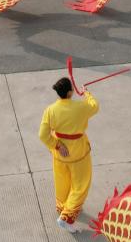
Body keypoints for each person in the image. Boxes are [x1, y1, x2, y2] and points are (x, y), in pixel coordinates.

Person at [38, 76, 99, 233]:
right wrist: (86, 93)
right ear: (70, 92)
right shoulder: (81, 107)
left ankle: (62, 207)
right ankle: (67, 217)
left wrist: (57, 145)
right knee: (81, 185)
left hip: (60, 153)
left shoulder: (50, 110)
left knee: (62, 180)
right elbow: (95, 106)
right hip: (78, 153)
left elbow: (42, 135)